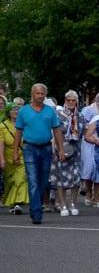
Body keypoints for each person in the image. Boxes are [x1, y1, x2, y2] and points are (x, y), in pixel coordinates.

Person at [13, 84, 63, 224]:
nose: (40, 96)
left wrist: (61, 149)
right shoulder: (24, 111)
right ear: (32, 94)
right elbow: (18, 132)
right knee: (33, 181)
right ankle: (36, 213)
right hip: (29, 148)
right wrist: (15, 151)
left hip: (46, 148)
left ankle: (36, 205)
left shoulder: (50, 111)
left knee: (43, 182)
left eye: (42, 94)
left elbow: (57, 130)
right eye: (37, 93)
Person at [50, 90, 84, 216]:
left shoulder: (80, 116)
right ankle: (63, 205)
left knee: (76, 179)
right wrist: (59, 148)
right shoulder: (58, 114)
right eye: (68, 100)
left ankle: (73, 204)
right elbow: (54, 132)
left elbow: (84, 134)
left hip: (76, 151)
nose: (71, 102)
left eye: (73, 100)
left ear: (76, 102)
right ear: (65, 101)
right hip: (60, 149)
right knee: (61, 179)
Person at [1, 103, 29, 214]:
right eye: (13, 109)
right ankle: (12, 204)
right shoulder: (2, 126)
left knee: (21, 179)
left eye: (18, 109)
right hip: (8, 157)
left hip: (22, 156)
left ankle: (18, 203)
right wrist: (2, 159)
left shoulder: (25, 124)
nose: (16, 111)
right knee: (10, 182)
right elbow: (1, 144)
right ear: (8, 112)